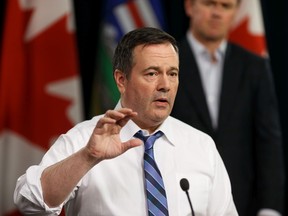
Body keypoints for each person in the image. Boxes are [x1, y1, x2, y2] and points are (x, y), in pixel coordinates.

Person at [13, 27, 238, 215]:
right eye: (152, 73)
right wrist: (87, 157)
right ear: (121, 80)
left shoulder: (202, 146)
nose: (165, 85)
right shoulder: (84, 139)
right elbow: (30, 202)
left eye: (172, 73)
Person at [171, 0, 285, 215]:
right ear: (188, 6)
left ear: (235, 12)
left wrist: (270, 207)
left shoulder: (255, 67)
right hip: (181, 199)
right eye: (209, 4)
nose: (217, 13)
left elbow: (268, 141)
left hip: (244, 204)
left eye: (226, 6)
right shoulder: (166, 64)